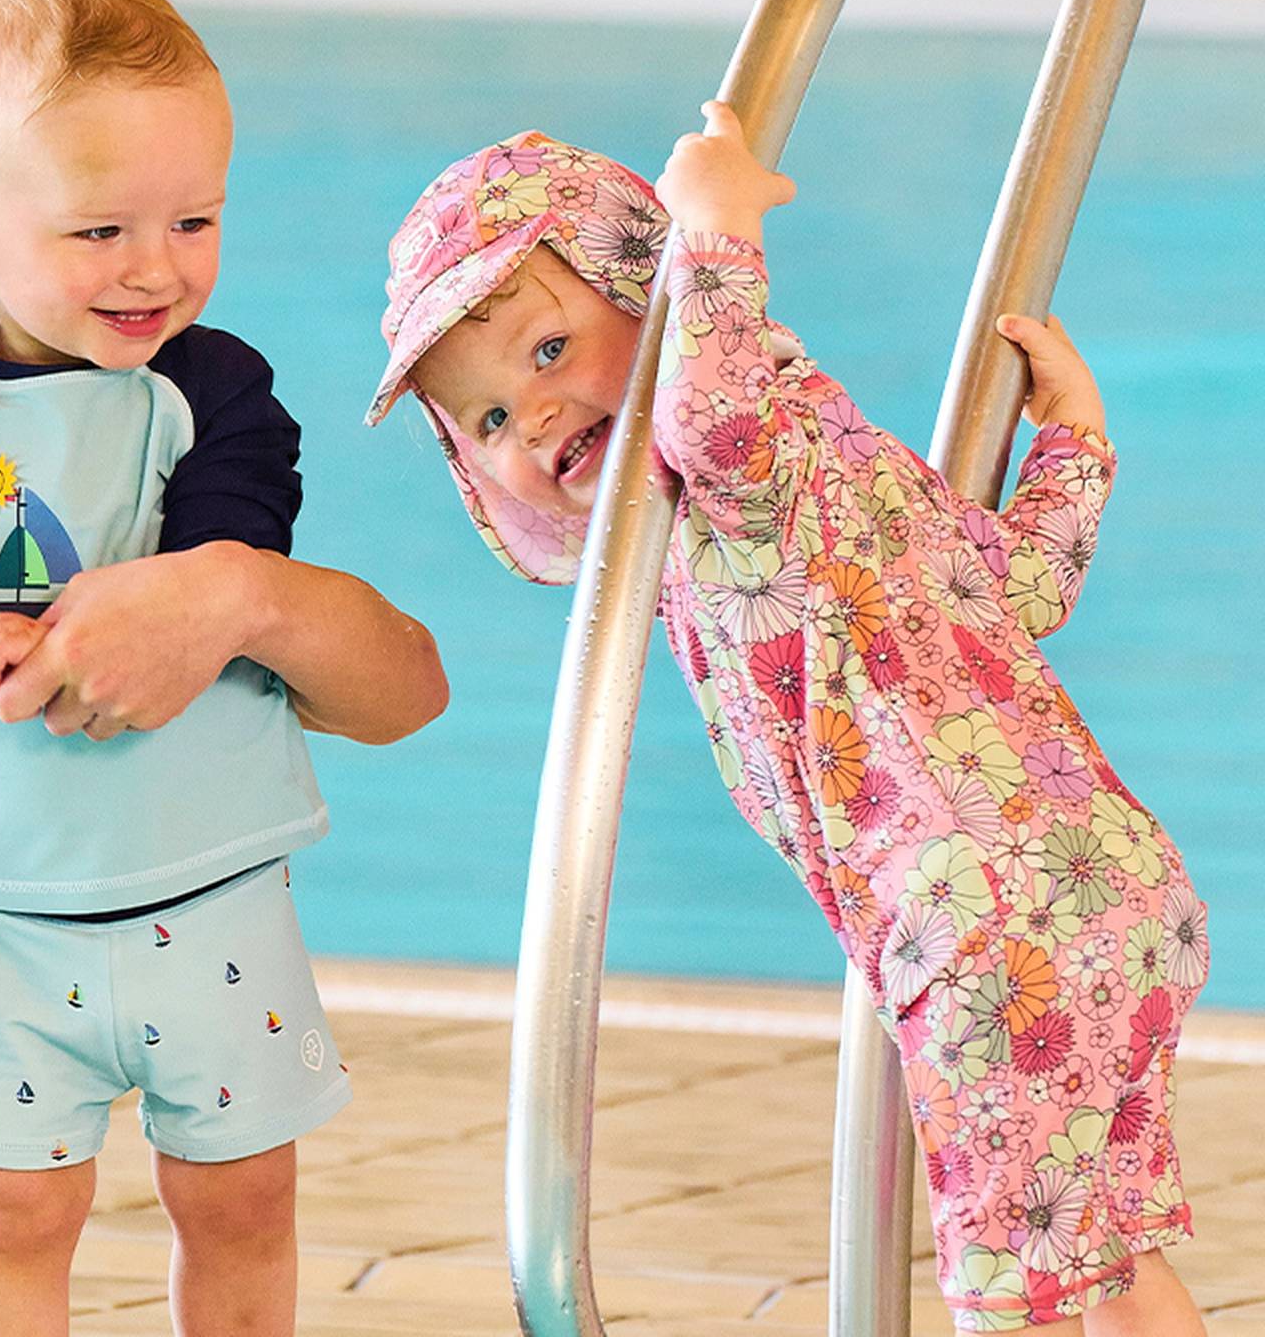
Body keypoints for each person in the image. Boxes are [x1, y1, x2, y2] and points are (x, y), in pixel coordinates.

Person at [364, 105, 1210, 1334]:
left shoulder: (738, 483)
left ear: (644, 292)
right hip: (1115, 895)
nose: (532, 417)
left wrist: (711, 234)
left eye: (548, 352)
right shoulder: (835, 463)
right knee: (1099, 1269)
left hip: (984, 930)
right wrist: (1073, 441)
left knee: (1012, 1303)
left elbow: (710, 416)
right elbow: (1025, 588)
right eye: (488, 419)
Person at [0, 0, 447, 1337]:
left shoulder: (211, 389)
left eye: (194, 218)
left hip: (212, 899)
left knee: (240, 1204)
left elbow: (219, 559)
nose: (156, 267)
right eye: (101, 230)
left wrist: (41, 635)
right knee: (10, 1216)